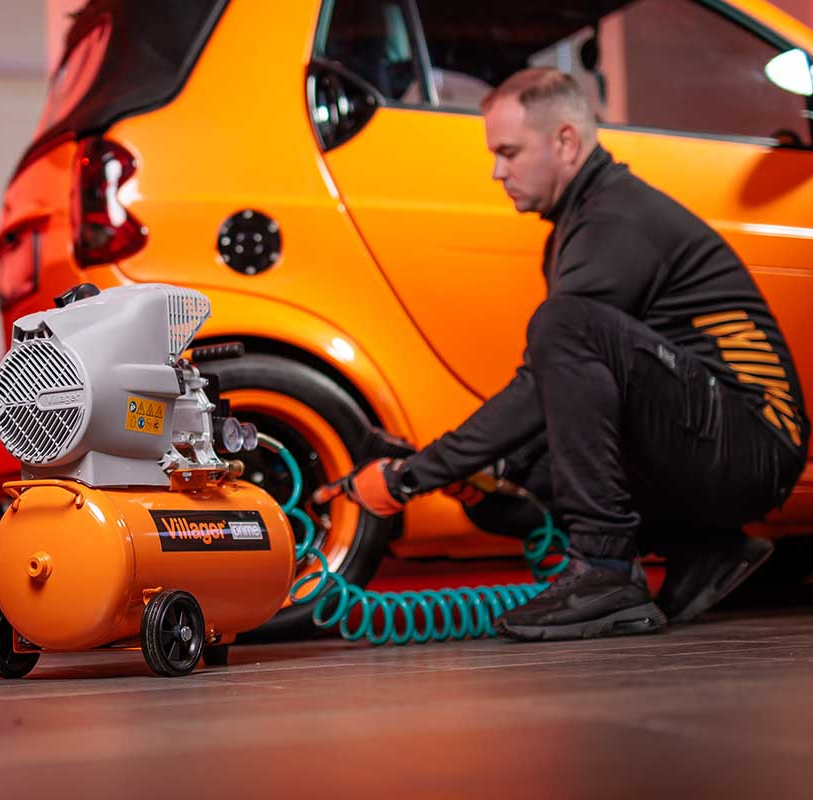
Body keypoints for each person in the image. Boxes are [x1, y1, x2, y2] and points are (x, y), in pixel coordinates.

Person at [344, 68, 808, 641]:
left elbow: (543, 378)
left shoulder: (616, 219)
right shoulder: (576, 226)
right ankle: (705, 550)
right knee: (515, 465)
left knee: (562, 327)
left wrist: (411, 477)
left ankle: (603, 569)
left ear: (565, 141)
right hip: (716, 441)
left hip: (757, 439)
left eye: (509, 152)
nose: (497, 172)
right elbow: (569, 395)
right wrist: (490, 472)